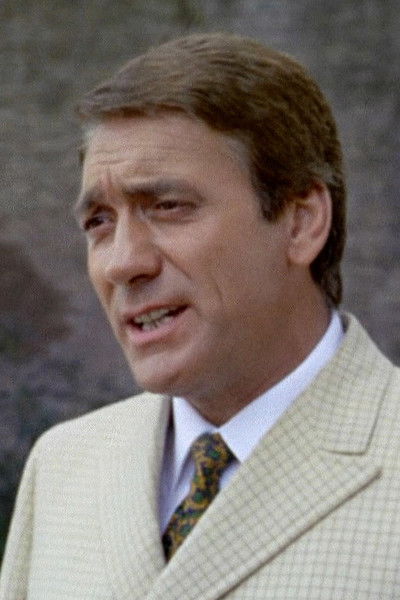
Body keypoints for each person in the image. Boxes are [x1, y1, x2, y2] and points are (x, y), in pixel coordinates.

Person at [1, 32, 399, 599]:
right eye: (99, 222)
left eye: (168, 207)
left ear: (302, 221)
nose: (122, 263)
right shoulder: (62, 467)